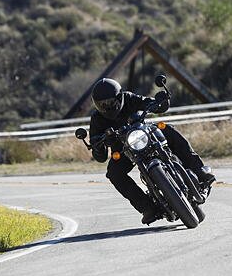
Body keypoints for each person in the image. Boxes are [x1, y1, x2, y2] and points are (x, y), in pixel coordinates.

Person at [88, 78, 215, 224]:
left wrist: (160, 101)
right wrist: (99, 145)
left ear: (119, 97)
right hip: (124, 150)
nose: (106, 107)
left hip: (146, 135)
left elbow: (150, 103)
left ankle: (200, 171)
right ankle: (147, 207)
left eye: (110, 102)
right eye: (101, 104)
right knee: (114, 173)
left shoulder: (129, 98)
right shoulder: (97, 119)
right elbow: (99, 153)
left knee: (168, 129)